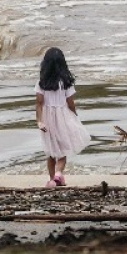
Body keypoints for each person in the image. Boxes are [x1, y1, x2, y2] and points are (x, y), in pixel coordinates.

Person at [35, 47, 91, 187]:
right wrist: (74, 114)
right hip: (63, 117)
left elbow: (39, 103)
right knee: (63, 149)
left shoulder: (41, 83)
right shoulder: (66, 83)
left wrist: (39, 121)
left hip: (47, 119)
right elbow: (70, 103)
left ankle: (52, 179)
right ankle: (59, 174)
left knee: (50, 151)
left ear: (45, 64)